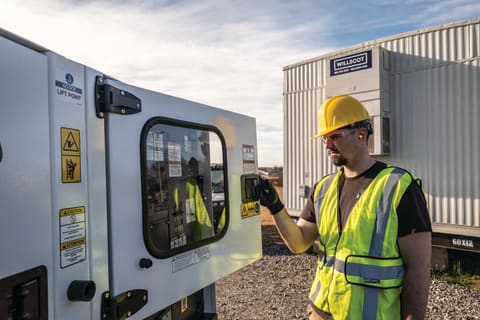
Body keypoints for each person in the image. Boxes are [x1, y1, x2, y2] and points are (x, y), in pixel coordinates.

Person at [259, 95, 432, 320]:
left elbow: (418, 272)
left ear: (361, 134)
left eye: (335, 136)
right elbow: (299, 243)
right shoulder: (323, 189)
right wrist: (275, 205)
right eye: (325, 138)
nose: (328, 145)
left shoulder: (399, 187)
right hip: (321, 313)